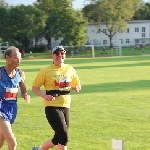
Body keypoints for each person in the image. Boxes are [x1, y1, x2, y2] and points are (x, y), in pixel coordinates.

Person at [32, 46, 81, 150]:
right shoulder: (45, 71)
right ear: (52, 56)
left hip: (66, 106)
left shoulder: (70, 69)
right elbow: (34, 87)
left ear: (65, 55)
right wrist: (44, 96)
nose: (60, 56)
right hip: (52, 107)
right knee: (64, 136)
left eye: (62, 53)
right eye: (57, 54)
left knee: (57, 138)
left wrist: (76, 87)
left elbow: (77, 84)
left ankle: (39, 149)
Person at [0, 46, 30, 150]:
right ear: (8, 58)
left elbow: (23, 89)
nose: (19, 61)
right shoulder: (0, 72)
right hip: (1, 109)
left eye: (20, 58)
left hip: (12, 109)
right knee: (12, 142)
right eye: (16, 58)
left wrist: (25, 94)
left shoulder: (20, 73)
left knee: (1, 139)